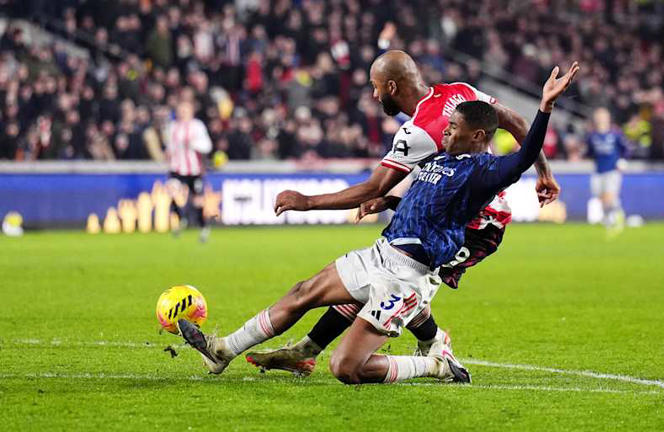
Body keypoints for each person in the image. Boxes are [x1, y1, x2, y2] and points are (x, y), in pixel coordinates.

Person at [176, 62, 579, 385]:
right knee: (310, 291)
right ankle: (228, 350)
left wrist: (309, 202)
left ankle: (435, 356)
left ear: (390, 87)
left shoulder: (437, 144)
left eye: (374, 87)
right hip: (396, 244)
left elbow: (519, 146)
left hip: (459, 235)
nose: (371, 95)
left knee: (353, 356)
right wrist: (386, 199)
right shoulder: (455, 106)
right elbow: (504, 124)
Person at [164, 100, 213, 242]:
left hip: (194, 170)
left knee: (197, 201)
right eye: (180, 110)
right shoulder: (172, 127)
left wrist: (194, 144)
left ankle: (203, 228)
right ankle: (181, 218)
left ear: (191, 111)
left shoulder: (197, 126)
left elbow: (207, 146)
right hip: (176, 169)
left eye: (185, 110)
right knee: (171, 192)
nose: (182, 112)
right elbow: (169, 146)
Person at [585, 108, 627, 230]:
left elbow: (626, 149)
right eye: (598, 116)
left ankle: (618, 216)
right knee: (599, 195)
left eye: (603, 116)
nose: (601, 119)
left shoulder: (615, 134)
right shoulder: (592, 136)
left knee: (610, 195)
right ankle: (609, 217)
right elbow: (589, 152)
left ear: (608, 118)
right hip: (598, 171)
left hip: (612, 170)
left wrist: (622, 160)